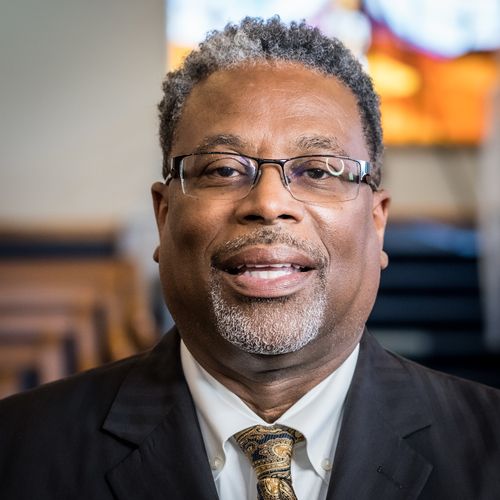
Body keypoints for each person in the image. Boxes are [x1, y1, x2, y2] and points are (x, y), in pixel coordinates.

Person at [1, 16, 499, 500]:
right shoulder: (17, 451)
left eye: (318, 171)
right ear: (163, 215)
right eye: (223, 169)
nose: (269, 203)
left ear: (376, 221)